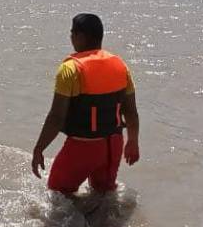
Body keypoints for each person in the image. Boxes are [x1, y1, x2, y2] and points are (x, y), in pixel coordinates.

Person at [31, 13, 140, 196]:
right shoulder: (120, 65)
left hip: (83, 148)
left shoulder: (70, 69)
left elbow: (56, 117)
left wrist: (39, 149)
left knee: (57, 194)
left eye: (72, 33)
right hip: (113, 146)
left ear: (80, 36)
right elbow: (131, 112)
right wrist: (133, 141)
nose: (71, 37)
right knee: (103, 196)